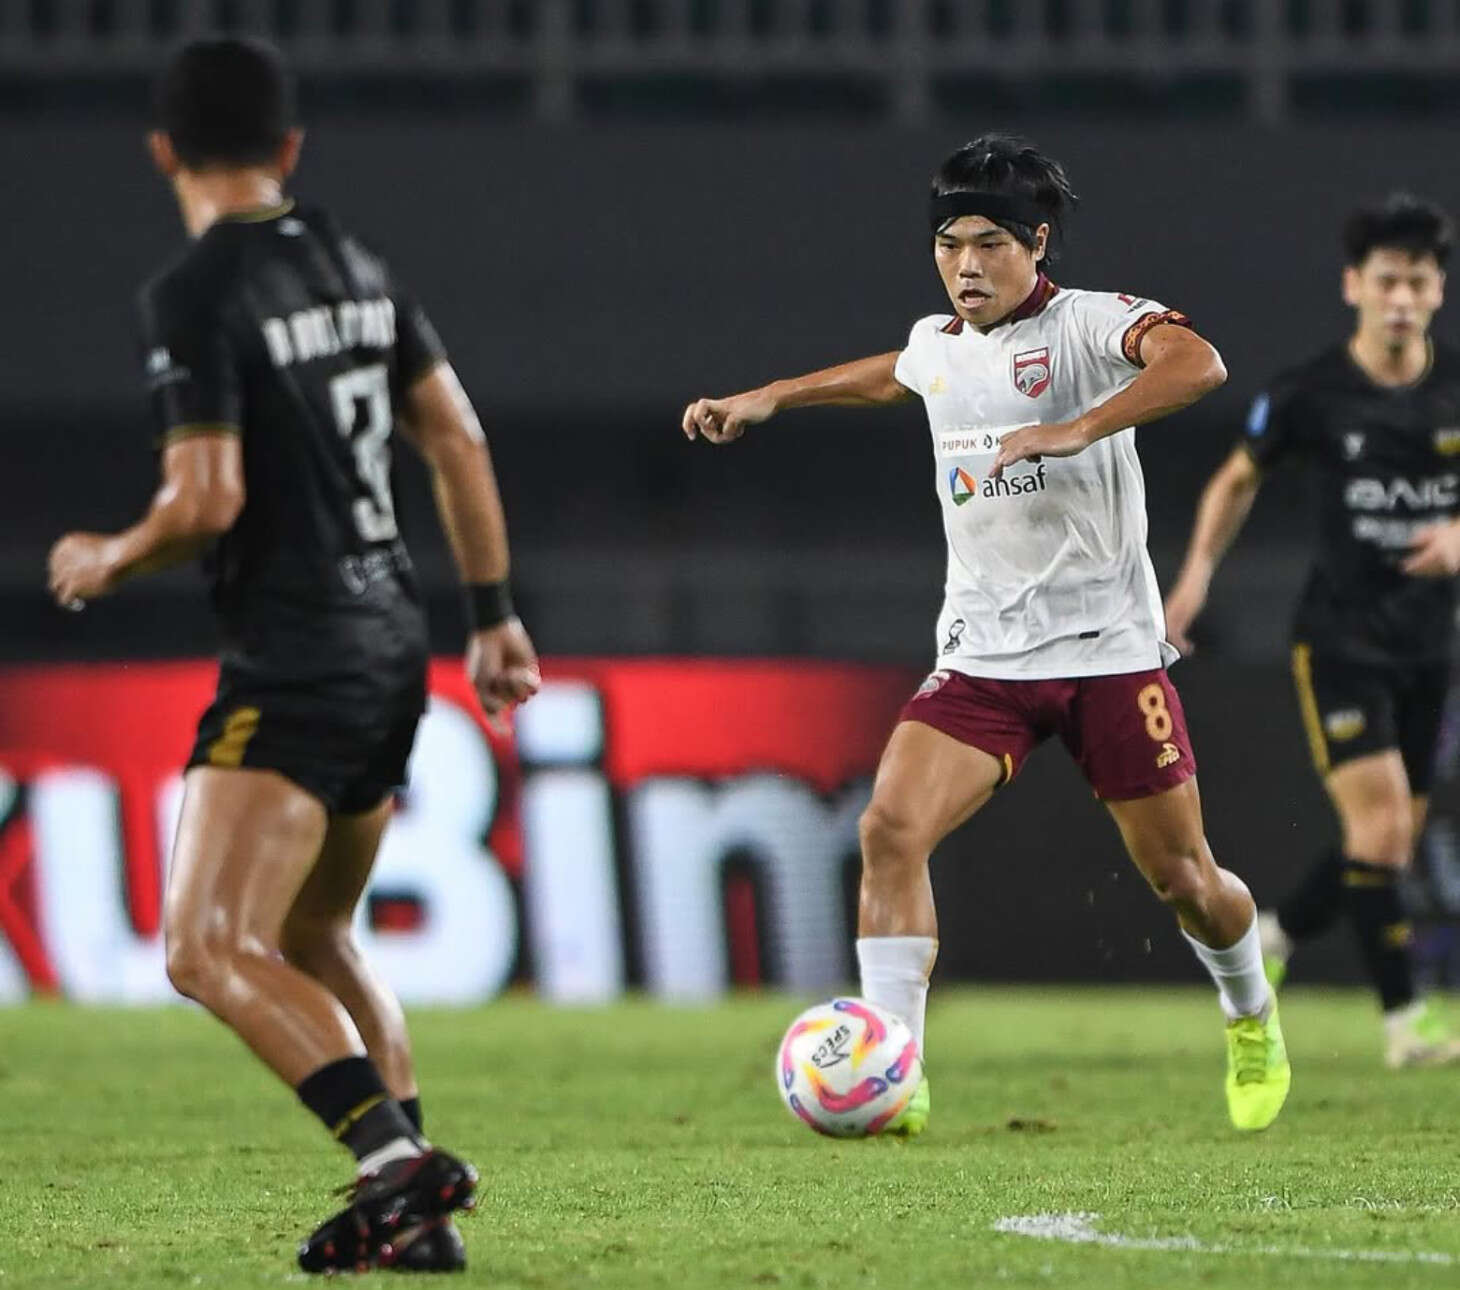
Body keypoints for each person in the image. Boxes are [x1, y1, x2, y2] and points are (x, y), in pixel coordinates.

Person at [46, 37, 540, 1272]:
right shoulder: (354, 265)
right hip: (391, 645)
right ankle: (414, 1225)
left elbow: (206, 499)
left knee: (205, 947)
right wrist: (492, 614)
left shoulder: (197, 291)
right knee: (318, 935)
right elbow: (459, 441)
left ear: (163, 150)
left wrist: (110, 555)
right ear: (290, 148)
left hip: (298, 653)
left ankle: (393, 1166)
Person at [682, 134, 1290, 1135]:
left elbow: (1198, 362)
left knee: (1183, 882)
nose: (964, 265)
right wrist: (769, 399)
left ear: (1034, 244)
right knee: (888, 831)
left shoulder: (1093, 325)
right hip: (981, 660)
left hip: (1106, 656)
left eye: (987, 245)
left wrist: (1074, 428)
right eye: (947, 244)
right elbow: (897, 373)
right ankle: (896, 1067)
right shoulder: (939, 345)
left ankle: (1247, 1008)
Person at [1165, 194, 1460, 1069]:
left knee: (1391, 838)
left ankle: (1280, 931)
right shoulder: (1311, 394)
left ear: (1438, 290)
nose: (1401, 298)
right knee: (1380, 838)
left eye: (1417, 281)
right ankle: (1406, 1025)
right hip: (1338, 642)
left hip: (1429, 647)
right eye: (1386, 281)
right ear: (1353, 286)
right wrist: (1193, 580)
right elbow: (1235, 480)